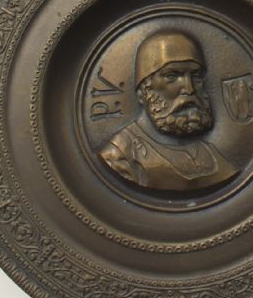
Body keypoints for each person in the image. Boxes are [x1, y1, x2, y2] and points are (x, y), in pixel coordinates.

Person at [99, 30, 238, 192]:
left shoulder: (211, 154)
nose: (189, 89)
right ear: (145, 89)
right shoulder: (121, 155)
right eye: (172, 76)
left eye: (196, 76)